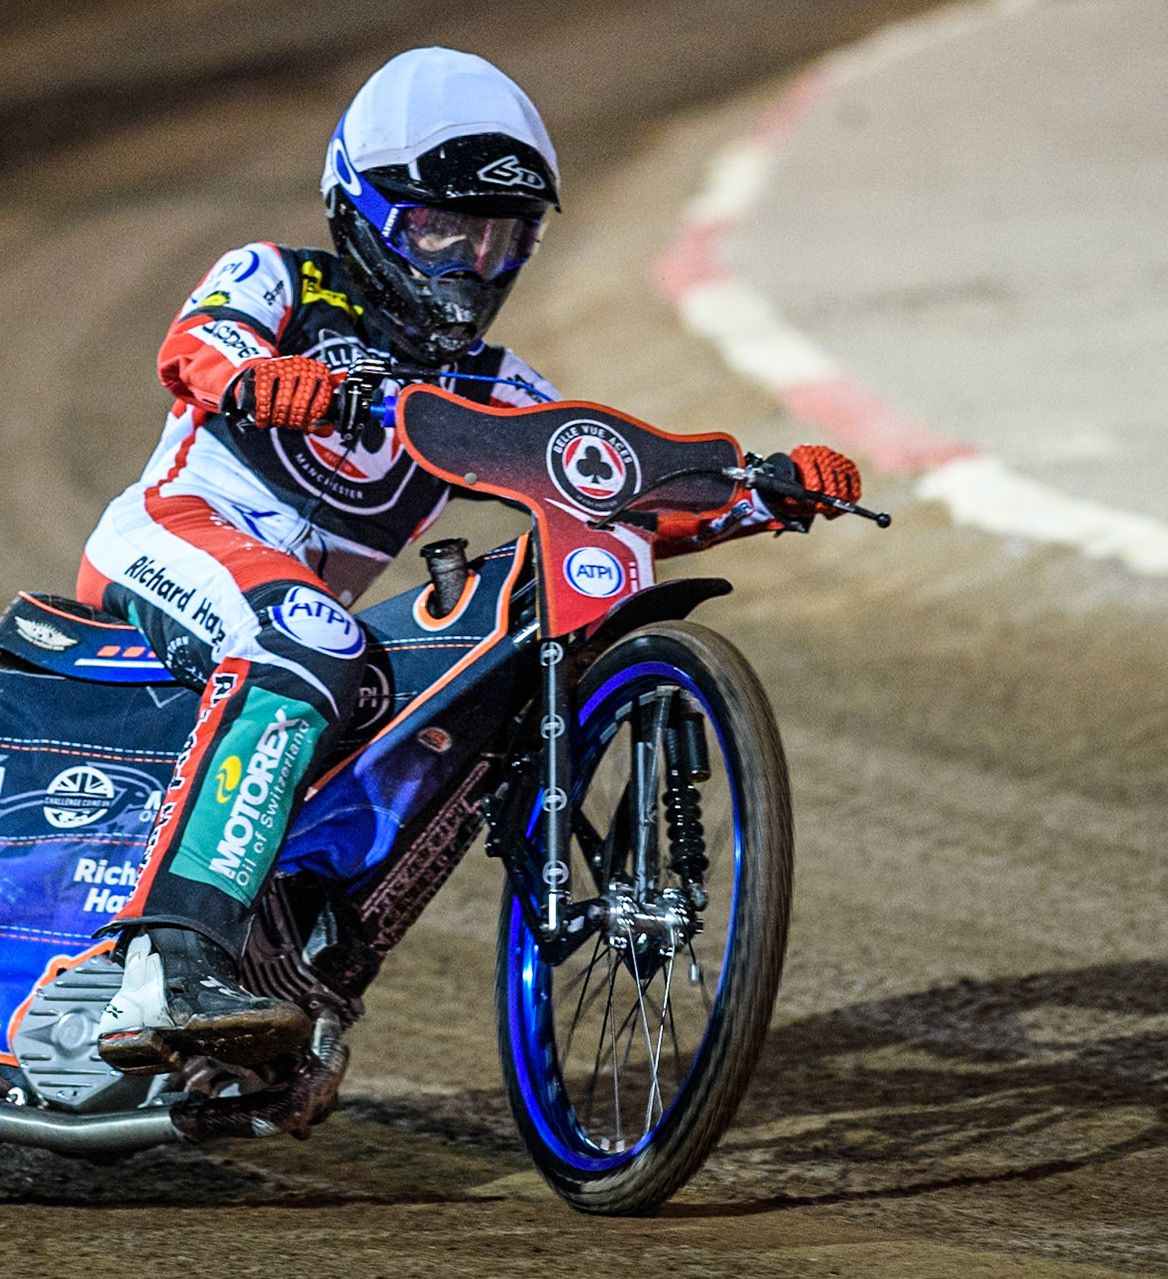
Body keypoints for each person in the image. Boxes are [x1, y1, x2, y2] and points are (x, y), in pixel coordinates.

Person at [81, 47, 861, 1073]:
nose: (467, 267)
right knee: (317, 640)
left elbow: (611, 486)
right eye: (440, 230)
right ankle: (166, 966)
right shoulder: (275, 275)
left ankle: (283, 969)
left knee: (391, 683)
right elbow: (196, 345)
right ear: (356, 210)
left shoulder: (493, 388)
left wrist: (758, 496)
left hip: (295, 618)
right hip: (172, 538)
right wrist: (266, 381)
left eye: (501, 240)